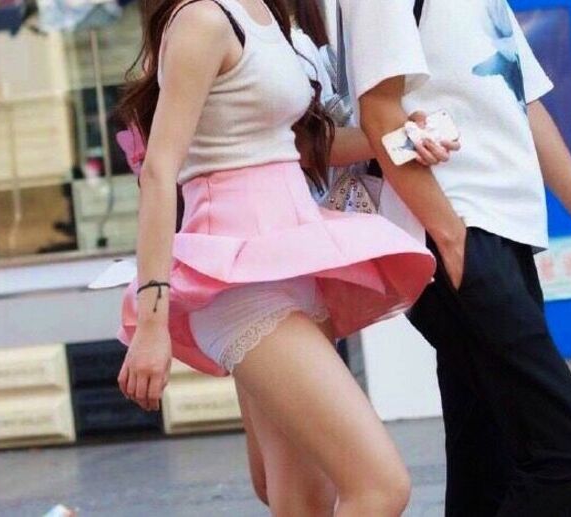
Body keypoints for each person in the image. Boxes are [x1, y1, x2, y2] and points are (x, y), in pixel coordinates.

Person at [113, 0, 443, 515]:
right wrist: (153, 323)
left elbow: (293, 147)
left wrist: (401, 138)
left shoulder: (264, 15)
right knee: (380, 486)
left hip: (291, 261)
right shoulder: (203, 19)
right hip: (239, 279)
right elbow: (158, 170)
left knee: (302, 500)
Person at [338, 0, 571, 515]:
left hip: (500, 232)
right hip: (456, 230)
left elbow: (522, 98)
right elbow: (380, 111)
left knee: (488, 462)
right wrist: (451, 237)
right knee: (567, 452)